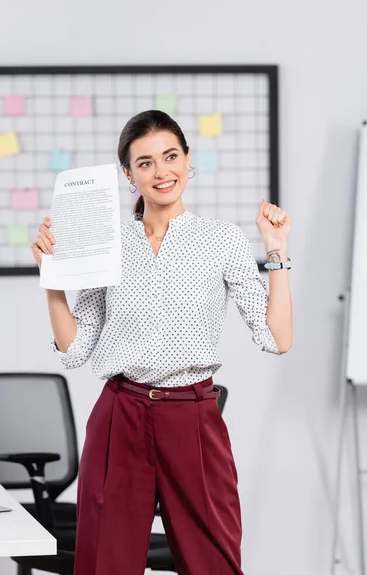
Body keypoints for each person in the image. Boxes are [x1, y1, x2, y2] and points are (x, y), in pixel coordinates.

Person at [31, 110, 293, 575]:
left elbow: (277, 338)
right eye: (146, 162)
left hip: (191, 416)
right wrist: (52, 277)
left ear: (189, 160)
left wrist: (276, 249)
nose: (161, 171)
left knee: (212, 560)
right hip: (120, 415)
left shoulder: (222, 240)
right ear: (128, 174)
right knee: (103, 564)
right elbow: (75, 349)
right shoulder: (109, 244)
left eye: (170, 156)